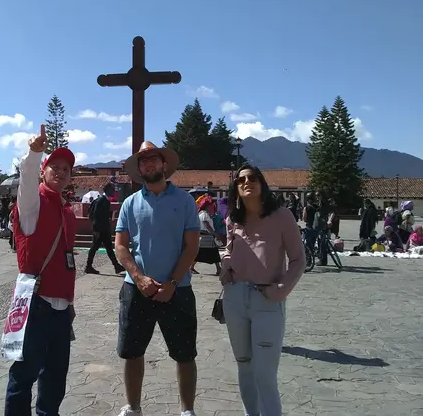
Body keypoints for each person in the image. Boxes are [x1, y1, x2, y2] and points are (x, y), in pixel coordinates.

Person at [114, 141, 200, 416]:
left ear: (164, 164)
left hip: (178, 289)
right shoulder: (130, 204)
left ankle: (187, 410)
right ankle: (133, 407)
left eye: (153, 158)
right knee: (132, 352)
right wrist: (138, 277)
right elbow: (120, 246)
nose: (149, 163)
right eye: (143, 160)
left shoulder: (185, 201)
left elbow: (192, 246)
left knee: (185, 354)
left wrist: (172, 282)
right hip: (137, 289)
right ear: (139, 169)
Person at [220, 165, 306, 416]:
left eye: (253, 178)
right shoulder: (233, 219)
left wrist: (282, 290)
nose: (247, 182)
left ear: (262, 183)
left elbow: (298, 259)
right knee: (244, 366)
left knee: (265, 374)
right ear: (236, 188)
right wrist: (225, 264)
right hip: (234, 298)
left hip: (267, 300)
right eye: (241, 180)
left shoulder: (282, 217)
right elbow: (228, 249)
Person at [4, 125, 78, 416]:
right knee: (25, 374)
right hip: (36, 302)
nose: (60, 172)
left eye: (66, 169)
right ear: (43, 172)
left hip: (60, 307)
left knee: (56, 375)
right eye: (54, 167)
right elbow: (26, 181)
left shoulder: (66, 210)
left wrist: (69, 303)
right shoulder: (32, 204)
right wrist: (34, 153)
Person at [85, 182, 125, 275]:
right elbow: (96, 215)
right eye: (112, 190)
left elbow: (101, 214)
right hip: (100, 230)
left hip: (104, 229)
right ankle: (88, 266)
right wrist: (96, 230)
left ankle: (116, 266)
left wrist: (110, 214)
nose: (114, 192)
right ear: (108, 190)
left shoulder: (103, 200)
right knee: (94, 247)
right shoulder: (102, 200)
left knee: (108, 247)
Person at [192, 195, 222, 275]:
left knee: (211, 252)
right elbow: (207, 225)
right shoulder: (204, 214)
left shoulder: (203, 214)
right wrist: (215, 234)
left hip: (205, 237)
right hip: (206, 236)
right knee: (204, 253)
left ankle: (218, 268)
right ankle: (218, 268)